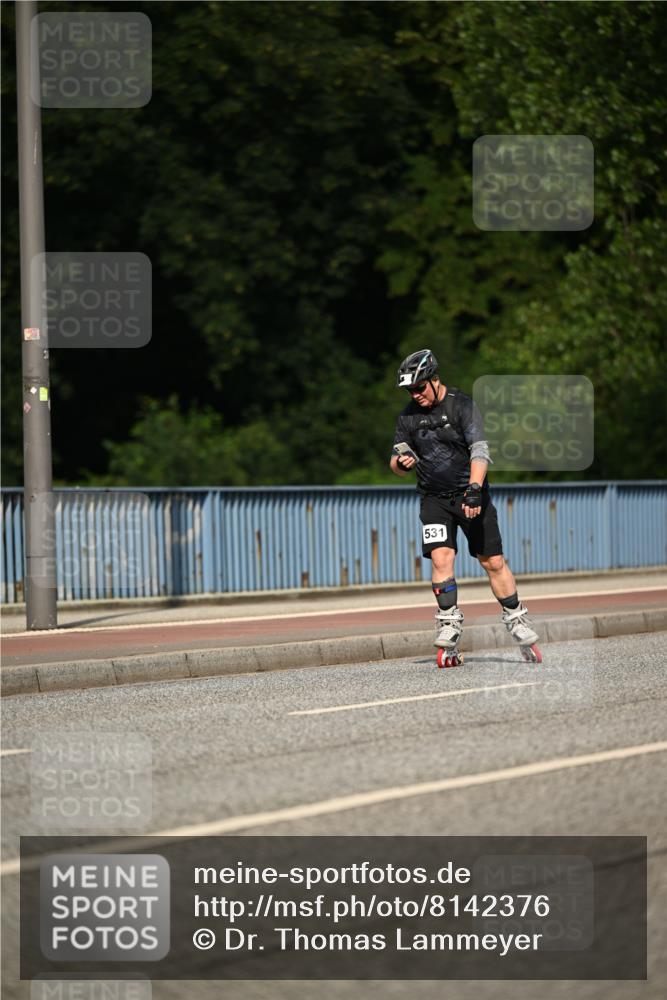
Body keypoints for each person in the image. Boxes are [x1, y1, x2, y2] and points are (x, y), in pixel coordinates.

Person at [390, 348, 540, 663]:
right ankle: (448, 624)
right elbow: (395, 459)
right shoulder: (407, 416)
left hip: (470, 494)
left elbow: (480, 451)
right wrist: (401, 464)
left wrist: (474, 490)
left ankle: (516, 618)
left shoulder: (461, 406)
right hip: (433, 499)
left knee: (492, 561)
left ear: (434, 379)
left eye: (419, 387)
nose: (415, 394)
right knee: (441, 559)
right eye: (410, 390)